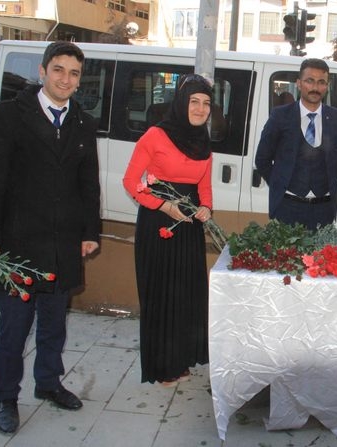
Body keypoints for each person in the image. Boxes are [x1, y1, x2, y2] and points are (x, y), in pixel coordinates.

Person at [0, 41, 101, 434]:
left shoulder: (82, 122)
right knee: (14, 327)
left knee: (54, 324)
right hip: (18, 244)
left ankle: (48, 383)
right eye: (59, 70)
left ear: (80, 81)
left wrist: (88, 233)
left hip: (63, 245)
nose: (66, 79)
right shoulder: (9, 115)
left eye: (74, 73)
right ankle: (5, 398)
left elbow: (88, 185)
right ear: (43, 71)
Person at [122, 73, 213, 387]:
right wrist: (163, 206)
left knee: (186, 294)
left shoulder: (204, 141)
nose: (200, 109)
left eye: (206, 104)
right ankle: (163, 366)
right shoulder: (155, 136)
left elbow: (204, 186)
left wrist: (206, 208)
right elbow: (131, 183)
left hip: (188, 226)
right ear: (180, 103)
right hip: (160, 222)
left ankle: (181, 358)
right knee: (163, 295)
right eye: (194, 102)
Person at [255, 58, 337, 231]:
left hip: (324, 209)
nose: (315, 87)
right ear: (299, 84)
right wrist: (280, 183)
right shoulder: (280, 116)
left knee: (321, 258)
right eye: (310, 81)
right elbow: (262, 159)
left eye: (321, 82)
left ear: (327, 86)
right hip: (287, 207)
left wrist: (326, 179)